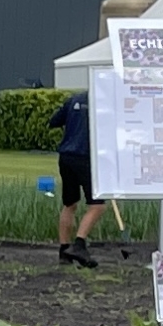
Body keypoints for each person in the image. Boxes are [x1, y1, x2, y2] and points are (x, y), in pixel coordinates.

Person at [55, 88, 110, 265]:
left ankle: (64, 251)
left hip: (66, 157)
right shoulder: (105, 102)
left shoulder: (74, 99)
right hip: (86, 157)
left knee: (70, 204)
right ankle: (79, 245)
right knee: (98, 205)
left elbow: (54, 121)